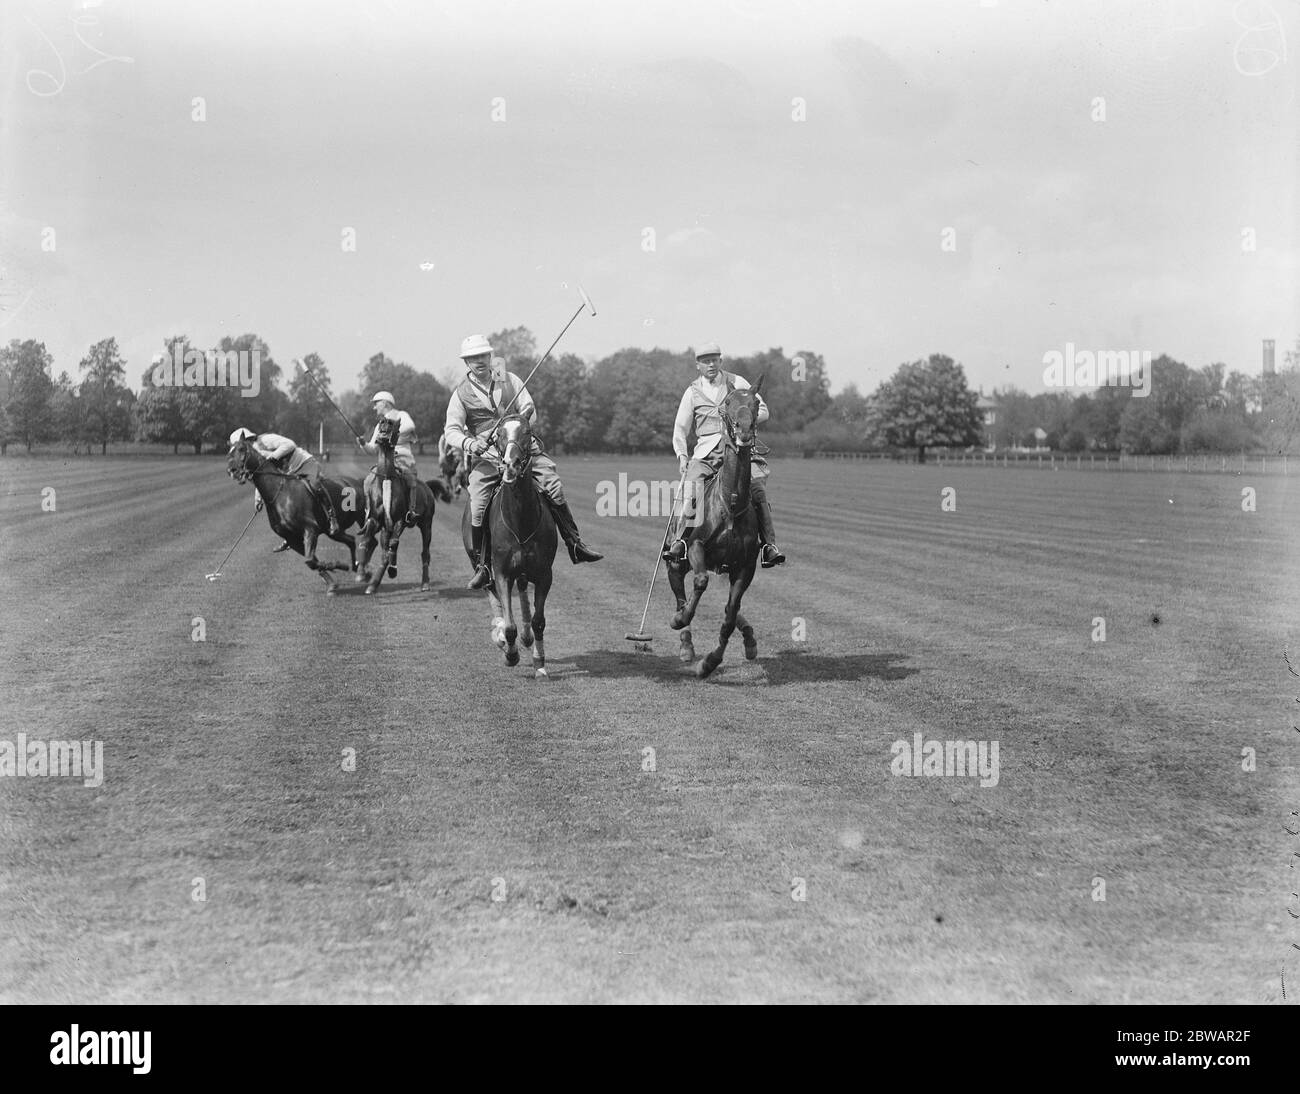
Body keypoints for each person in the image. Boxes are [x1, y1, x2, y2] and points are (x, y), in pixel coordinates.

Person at [444, 333, 601, 590]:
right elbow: (451, 430)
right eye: (474, 358)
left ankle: (575, 543)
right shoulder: (460, 393)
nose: (480, 361)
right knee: (478, 503)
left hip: (522, 451)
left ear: (490, 356)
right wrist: (471, 443)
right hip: (489, 457)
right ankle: (483, 565)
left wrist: (517, 421)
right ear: (467, 363)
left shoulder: (511, 379)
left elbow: (530, 409)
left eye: (483, 356)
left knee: (553, 485)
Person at [663, 341, 786, 567]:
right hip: (706, 454)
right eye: (705, 361)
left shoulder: (737, 382)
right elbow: (680, 429)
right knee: (691, 486)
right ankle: (679, 540)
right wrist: (682, 455)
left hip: (739, 451)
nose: (711, 364)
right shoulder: (692, 392)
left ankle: (769, 546)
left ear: (721, 361)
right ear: (698, 365)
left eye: (714, 360)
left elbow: (764, 411)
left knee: (757, 488)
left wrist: (743, 420)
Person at [228, 427, 341, 549]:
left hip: (304, 463)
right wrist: (258, 499)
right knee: (283, 504)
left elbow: (290, 445)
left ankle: (331, 518)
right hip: (289, 473)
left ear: (249, 439)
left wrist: (272, 456)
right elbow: (261, 477)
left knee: (315, 485)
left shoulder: (266, 440)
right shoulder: (253, 454)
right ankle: (291, 537)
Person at [357, 391, 420, 527]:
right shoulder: (379, 425)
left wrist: (392, 434)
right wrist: (363, 444)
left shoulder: (401, 415)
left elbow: (410, 426)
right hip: (384, 461)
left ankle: (411, 511)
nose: (375, 408)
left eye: (376, 404)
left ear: (385, 403)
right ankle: (369, 512)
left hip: (403, 459)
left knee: (410, 480)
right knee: (368, 481)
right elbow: (373, 449)